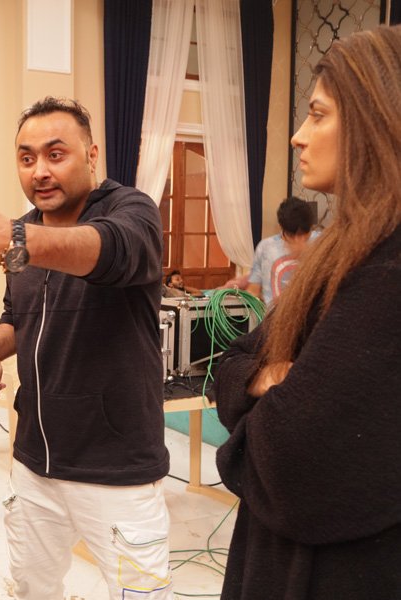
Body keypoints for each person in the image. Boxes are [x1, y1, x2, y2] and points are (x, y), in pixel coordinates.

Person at [0, 97, 172, 599]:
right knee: (32, 588)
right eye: (27, 158)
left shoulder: (131, 211)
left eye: (55, 154)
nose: (40, 171)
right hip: (35, 463)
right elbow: (17, 315)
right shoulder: (26, 232)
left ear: (92, 154)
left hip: (117, 469)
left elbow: (113, 249)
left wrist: (13, 237)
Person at [213, 26, 401, 599]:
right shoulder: (342, 252)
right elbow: (230, 365)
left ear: (376, 121)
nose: (298, 135)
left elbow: (289, 459)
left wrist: (255, 401)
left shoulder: (386, 270)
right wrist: (264, 378)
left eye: (317, 115)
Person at [247, 196, 318, 305]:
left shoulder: (322, 242)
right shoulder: (265, 247)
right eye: (292, 235)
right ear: (281, 227)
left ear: (311, 227)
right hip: (274, 314)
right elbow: (253, 291)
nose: (298, 241)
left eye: (304, 235)